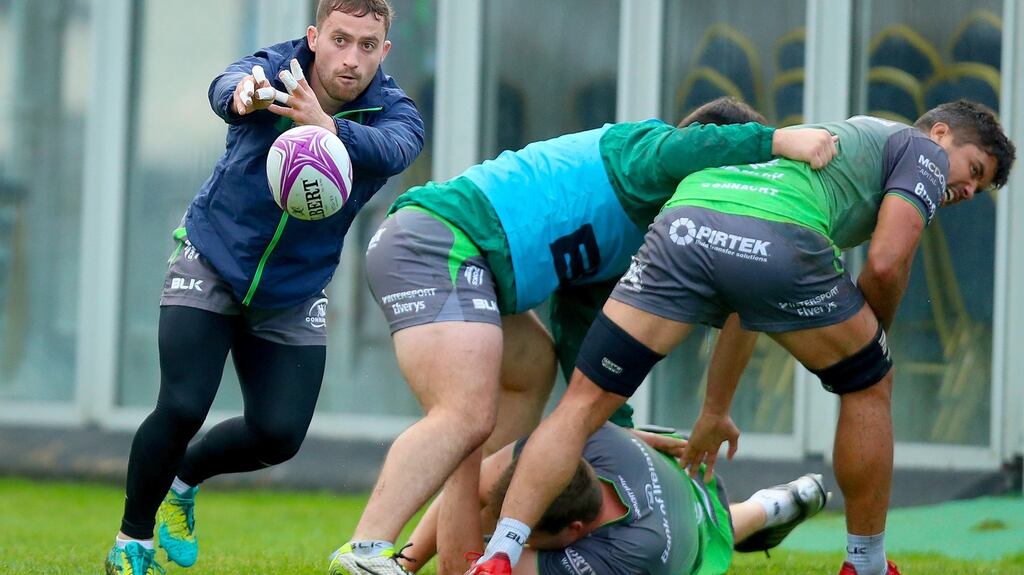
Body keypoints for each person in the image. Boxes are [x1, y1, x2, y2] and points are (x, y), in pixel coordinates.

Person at [470, 100, 1015, 575]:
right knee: (871, 384)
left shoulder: (846, 147)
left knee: (583, 404)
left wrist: (716, 408)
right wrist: (870, 345)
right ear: (941, 134)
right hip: (777, 238)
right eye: (973, 169)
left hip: (686, 221)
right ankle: (866, 564)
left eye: (979, 186)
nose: (966, 189)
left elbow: (745, 303)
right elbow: (887, 262)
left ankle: (498, 553)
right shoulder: (921, 151)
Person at [327, 97, 839, 575]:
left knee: (531, 374)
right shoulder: (647, 154)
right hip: (439, 241)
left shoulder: (634, 229)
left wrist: (608, 427)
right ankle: (367, 549)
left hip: (464, 259)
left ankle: (408, 561)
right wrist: (776, 142)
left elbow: (586, 337)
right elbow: (690, 146)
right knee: (465, 416)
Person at [104, 1, 424, 574]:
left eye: (367, 45)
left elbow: (398, 149)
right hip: (213, 259)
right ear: (314, 36)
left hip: (295, 291)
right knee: (181, 406)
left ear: (385, 50)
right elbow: (226, 84)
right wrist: (240, 96)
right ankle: (133, 543)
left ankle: (186, 479)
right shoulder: (277, 71)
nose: (352, 59)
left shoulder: (391, 111)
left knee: (278, 435)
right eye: (340, 40)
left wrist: (327, 129)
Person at [399, 423, 830, 575]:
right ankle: (789, 499)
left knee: (729, 525)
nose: (503, 529)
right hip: (676, 465)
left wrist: (460, 449)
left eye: (524, 530)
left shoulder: (616, 555)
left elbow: (463, 570)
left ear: (574, 533)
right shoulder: (577, 443)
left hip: (692, 534)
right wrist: (404, 564)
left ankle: (781, 502)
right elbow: (478, 489)